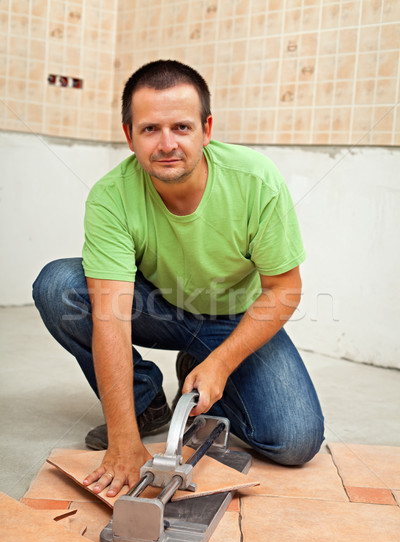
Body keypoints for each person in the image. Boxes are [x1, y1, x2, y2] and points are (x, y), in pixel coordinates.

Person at [33, 60, 324, 499]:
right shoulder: (112, 197)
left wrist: (221, 364)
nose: (167, 144)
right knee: (59, 286)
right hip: (159, 308)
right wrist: (124, 439)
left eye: (182, 128)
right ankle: (145, 402)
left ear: (206, 129)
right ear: (129, 136)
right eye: (150, 129)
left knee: (296, 441)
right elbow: (110, 316)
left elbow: (284, 289)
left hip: (233, 317)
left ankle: (200, 366)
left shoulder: (255, 180)